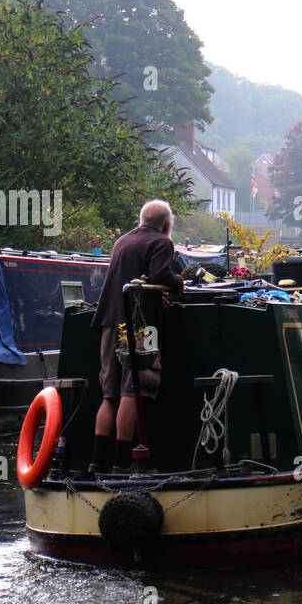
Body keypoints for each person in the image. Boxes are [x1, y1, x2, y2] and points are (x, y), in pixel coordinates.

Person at [90, 199, 184, 473]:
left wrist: (156, 296)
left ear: (141, 219)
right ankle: (122, 463)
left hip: (109, 320)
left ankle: (97, 461)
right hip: (140, 325)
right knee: (134, 390)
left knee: (109, 395)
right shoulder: (161, 242)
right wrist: (179, 285)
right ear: (166, 224)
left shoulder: (122, 241)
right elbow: (159, 274)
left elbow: (134, 279)